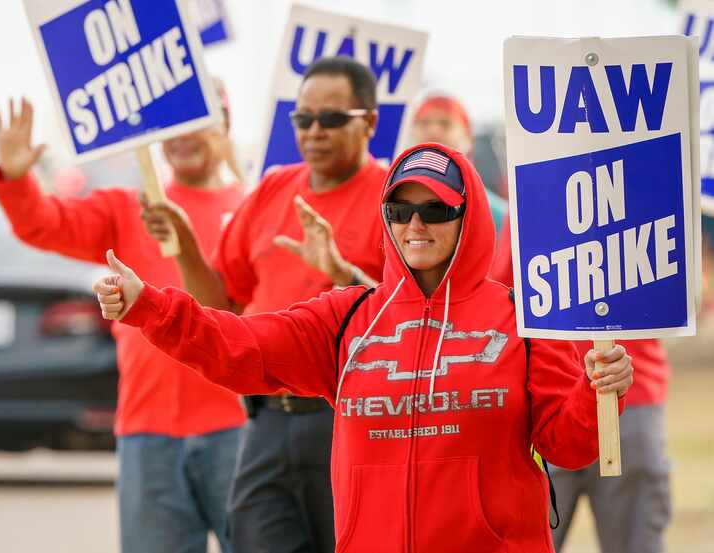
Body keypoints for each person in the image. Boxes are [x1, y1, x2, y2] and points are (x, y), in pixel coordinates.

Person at [93, 142, 634, 553]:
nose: (416, 223)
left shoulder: (523, 317)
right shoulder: (346, 317)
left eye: (437, 209)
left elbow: (571, 446)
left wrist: (597, 390)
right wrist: (149, 307)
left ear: (468, 215)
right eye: (400, 210)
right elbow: (239, 345)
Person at [139, 56, 386, 553]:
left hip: (351, 422)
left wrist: (343, 273)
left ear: (370, 123)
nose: (314, 131)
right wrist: (185, 241)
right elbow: (222, 303)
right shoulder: (274, 188)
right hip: (266, 422)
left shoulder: (395, 200)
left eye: (332, 119)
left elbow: (415, 318)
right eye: (303, 119)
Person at [0, 95, 245, 553]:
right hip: (147, 432)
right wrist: (15, 177)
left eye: (197, 122)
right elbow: (45, 224)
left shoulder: (251, 209)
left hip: (238, 429)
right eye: (172, 125)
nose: (182, 137)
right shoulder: (131, 208)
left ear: (224, 124)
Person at [490, 222, 672, 553]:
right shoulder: (530, 199)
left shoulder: (645, 188)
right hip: (546, 403)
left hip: (632, 397)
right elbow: (500, 296)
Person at [409, 93, 508, 234]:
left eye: (445, 123)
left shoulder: (499, 217)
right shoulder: (391, 204)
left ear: (468, 138)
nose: (433, 130)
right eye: (424, 123)